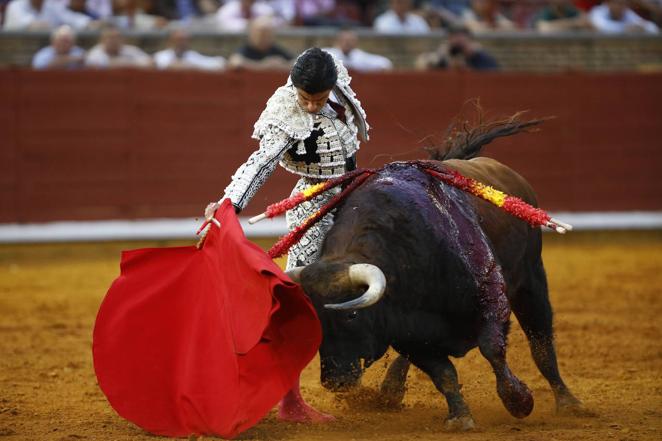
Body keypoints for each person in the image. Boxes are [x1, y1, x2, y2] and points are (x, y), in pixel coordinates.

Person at [204, 48, 369, 422]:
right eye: (305, 98)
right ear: (293, 87)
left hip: (353, 191)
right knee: (298, 297)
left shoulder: (336, 80)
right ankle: (289, 401)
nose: (311, 107)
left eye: (319, 99)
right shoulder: (284, 114)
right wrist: (229, 204)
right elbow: (259, 164)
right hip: (312, 205)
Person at [416, 25, 498, 70]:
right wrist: (441, 55)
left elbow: (492, 76)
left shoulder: (482, 58)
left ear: (470, 41)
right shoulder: (442, 57)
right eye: (455, 39)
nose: (459, 45)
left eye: (462, 41)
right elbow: (422, 66)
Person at [227, 16, 292, 70]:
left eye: (267, 35)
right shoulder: (246, 49)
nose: (264, 39)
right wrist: (263, 65)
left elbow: (295, 63)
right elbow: (235, 62)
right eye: (260, 35)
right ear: (252, 34)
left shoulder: (274, 49)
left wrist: (282, 65)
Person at [322, 28, 393, 72]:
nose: (348, 43)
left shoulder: (360, 56)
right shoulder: (329, 54)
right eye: (345, 40)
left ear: (355, 42)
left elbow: (385, 63)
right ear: (338, 41)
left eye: (351, 40)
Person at [153, 28, 226, 70]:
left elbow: (218, 62)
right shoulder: (162, 55)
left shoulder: (192, 56)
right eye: (179, 40)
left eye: (184, 40)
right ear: (171, 41)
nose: (182, 43)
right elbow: (163, 64)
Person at [85, 25, 152, 68]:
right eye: (111, 38)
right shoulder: (95, 52)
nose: (115, 41)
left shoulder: (130, 49)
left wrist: (127, 63)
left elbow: (150, 63)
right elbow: (93, 66)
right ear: (102, 40)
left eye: (117, 37)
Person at [3, 0, 94, 30]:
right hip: (16, 53)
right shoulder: (15, 5)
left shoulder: (50, 5)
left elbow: (71, 18)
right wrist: (58, 28)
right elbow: (31, 25)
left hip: (44, 48)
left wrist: (90, 23)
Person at [588, 0, 659, 33]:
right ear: (608, 3)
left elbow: (653, 28)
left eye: (622, 3)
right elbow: (601, 26)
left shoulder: (627, 12)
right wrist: (626, 28)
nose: (620, 6)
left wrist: (642, 27)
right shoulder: (598, 11)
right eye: (617, 3)